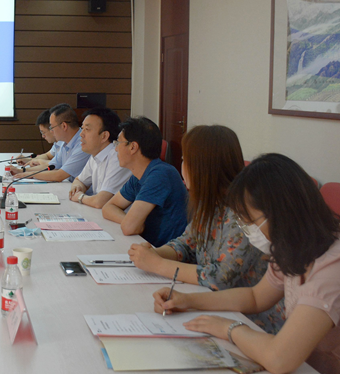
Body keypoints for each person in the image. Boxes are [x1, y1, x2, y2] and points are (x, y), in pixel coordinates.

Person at [153, 154, 340, 374]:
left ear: (280, 213)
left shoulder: (330, 267)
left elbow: (279, 358)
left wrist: (228, 328)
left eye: (249, 220)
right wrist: (187, 300)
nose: (247, 229)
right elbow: (255, 297)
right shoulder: (292, 246)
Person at [128, 125, 284, 334]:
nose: (182, 167)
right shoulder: (209, 202)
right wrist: (155, 253)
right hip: (218, 307)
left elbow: (220, 278)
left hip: (252, 321)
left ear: (203, 168)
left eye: (185, 160)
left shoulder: (243, 212)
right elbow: (187, 244)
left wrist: (158, 264)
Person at [101, 117, 187, 247]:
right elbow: (108, 207)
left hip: (165, 253)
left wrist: (131, 223)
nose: (116, 149)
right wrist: (128, 220)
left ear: (133, 147)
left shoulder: (160, 174)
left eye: (118, 143)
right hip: (148, 247)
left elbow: (129, 228)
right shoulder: (139, 175)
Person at [68, 107, 131, 209]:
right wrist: (77, 188)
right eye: (82, 128)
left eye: (87, 129)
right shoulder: (95, 154)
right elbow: (80, 180)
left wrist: (80, 197)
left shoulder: (117, 156)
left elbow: (101, 202)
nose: (81, 134)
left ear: (104, 136)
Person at [14, 103, 90, 182]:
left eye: (52, 127)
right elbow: (51, 166)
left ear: (64, 126)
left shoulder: (82, 144)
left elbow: (59, 175)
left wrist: (30, 174)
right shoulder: (65, 143)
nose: (51, 131)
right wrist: (21, 171)